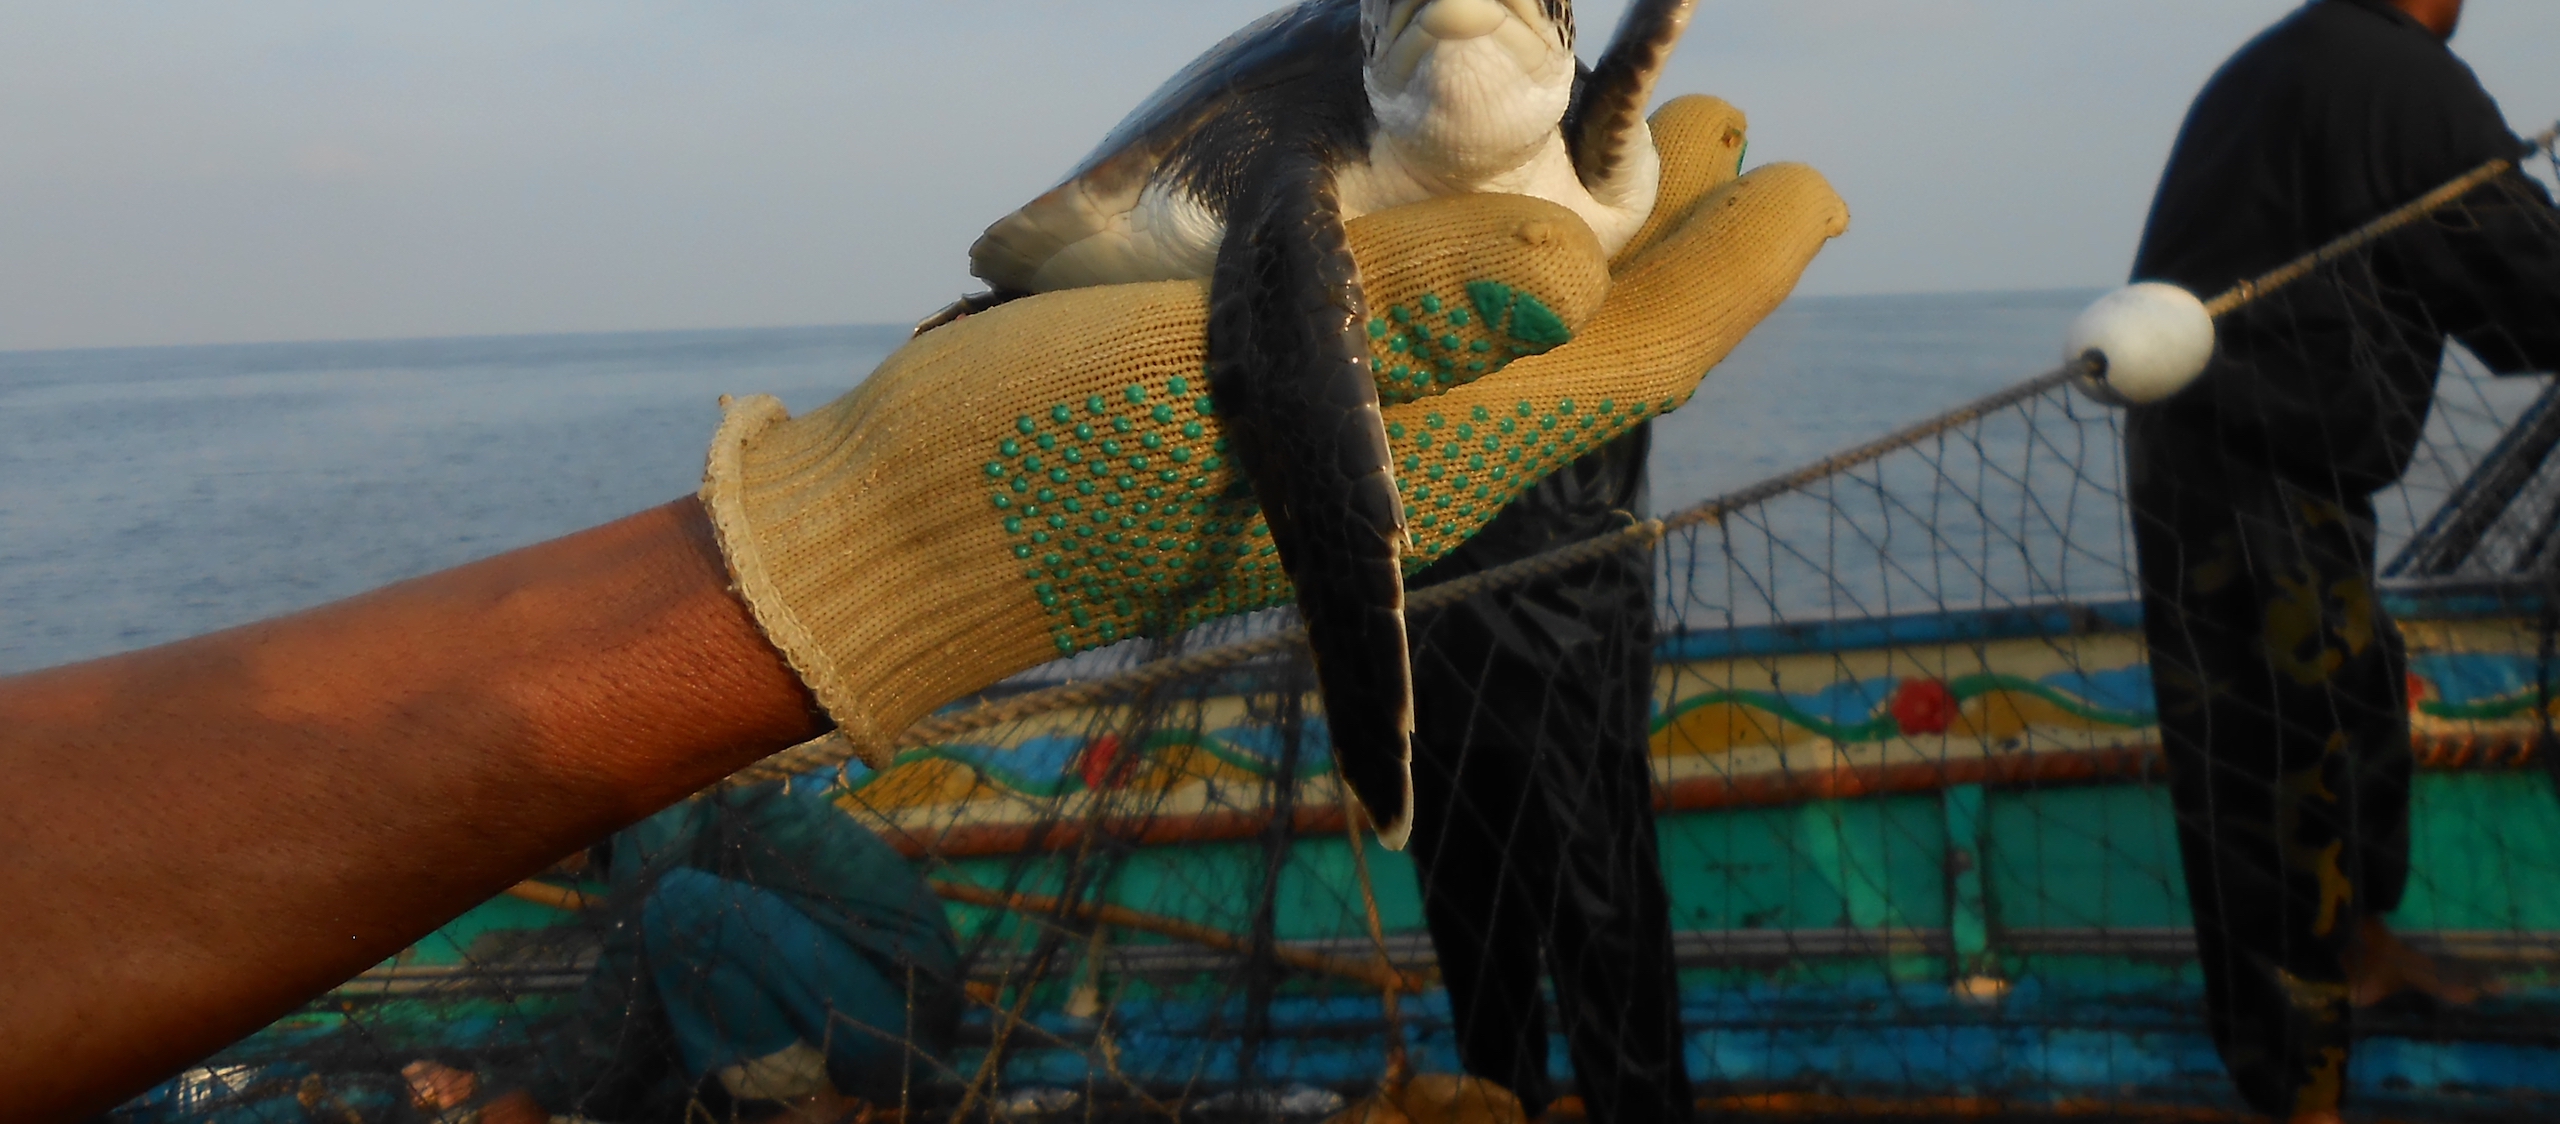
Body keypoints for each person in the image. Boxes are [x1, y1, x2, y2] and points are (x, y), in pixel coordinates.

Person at [0, 117, 1847, 1124]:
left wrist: (831, 540)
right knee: (1508, 864)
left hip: (1512, 592)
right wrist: (853, 534)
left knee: (1556, 872)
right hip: (1247, 275)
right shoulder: (1295, 162)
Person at [2123, 0, 2560, 1122]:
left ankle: (2361, 961)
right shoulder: (2411, 84)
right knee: (2279, 768)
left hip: (2226, 458)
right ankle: (2294, 1086)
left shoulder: (2266, 67)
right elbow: (2524, 286)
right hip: (2253, 475)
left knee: (2352, 694)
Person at [1406, 426, 1691, 1124]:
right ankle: (1505, 1104)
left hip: (1570, 630)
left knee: (1603, 924)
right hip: (1430, 637)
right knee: (1477, 933)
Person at [406, 777, 960, 1123]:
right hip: (861, 1016)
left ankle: (805, 1111)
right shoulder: (653, 815)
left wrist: (539, 1098)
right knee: (676, 920)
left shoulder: (662, 797)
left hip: (897, 1023)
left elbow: (630, 966)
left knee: (680, 902)